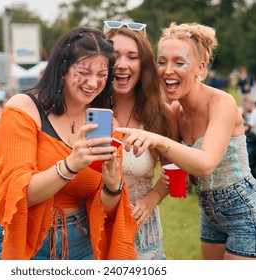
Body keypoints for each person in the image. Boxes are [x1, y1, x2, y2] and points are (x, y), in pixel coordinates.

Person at [116, 22, 256, 259]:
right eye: (161, 62)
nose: (167, 70)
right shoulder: (174, 112)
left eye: (179, 63)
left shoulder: (221, 103)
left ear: (200, 68)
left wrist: (157, 139)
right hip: (209, 213)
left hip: (245, 210)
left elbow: (205, 164)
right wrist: (156, 193)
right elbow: (175, 167)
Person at [0, 26, 137, 260]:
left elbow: (103, 209)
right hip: (21, 236)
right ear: (63, 69)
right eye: (84, 71)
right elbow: (17, 195)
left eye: (102, 75)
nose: (93, 83)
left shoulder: (105, 123)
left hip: (80, 241)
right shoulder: (23, 108)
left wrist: (112, 186)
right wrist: (70, 165)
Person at [104, 21, 176, 259]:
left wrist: (153, 197)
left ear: (143, 64)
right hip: (91, 234)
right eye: (114, 56)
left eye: (132, 57)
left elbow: (173, 171)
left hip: (143, 238)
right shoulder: (87, 108)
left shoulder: (161, 113)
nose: (122, 65)